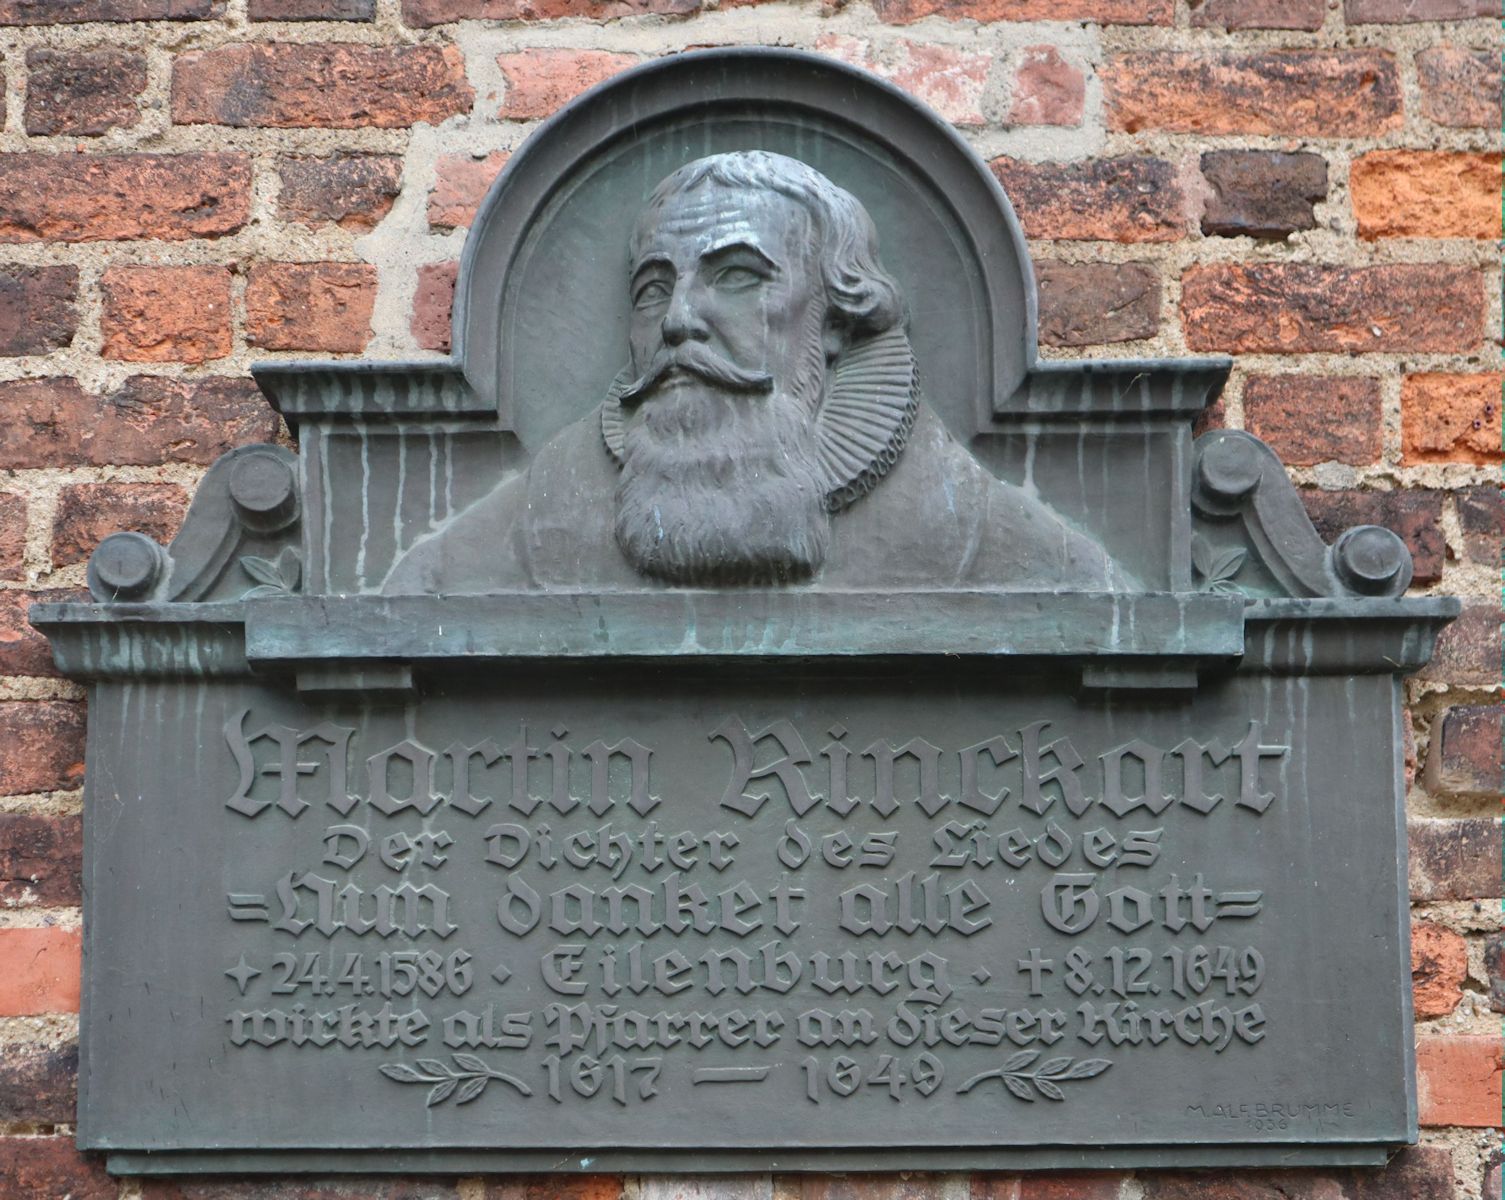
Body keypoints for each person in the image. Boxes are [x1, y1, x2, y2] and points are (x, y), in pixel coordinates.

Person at [384, 151, 1121, 594]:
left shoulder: (1013, 551)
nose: (677, 319)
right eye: (651, 287)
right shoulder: (503, 540)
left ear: (836, 317)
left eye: (735, 276)